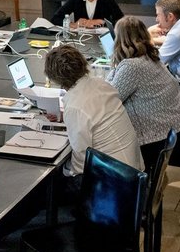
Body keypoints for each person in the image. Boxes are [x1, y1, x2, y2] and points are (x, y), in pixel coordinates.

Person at [107, 16, 180, 168]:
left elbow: (109, 100)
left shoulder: (132, 67)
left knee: (107, 146)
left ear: (120, 40)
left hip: (165, 142)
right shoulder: (150, 56)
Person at [44, 44, 141, 183]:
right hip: (133, 171)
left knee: (53, 180)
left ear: (55, 78)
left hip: (113, 182)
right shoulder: (100, 84)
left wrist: (64, 171)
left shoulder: (75, 106)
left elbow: (81, 163)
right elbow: (95, 116)